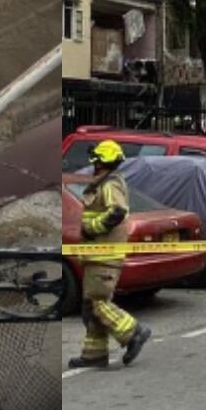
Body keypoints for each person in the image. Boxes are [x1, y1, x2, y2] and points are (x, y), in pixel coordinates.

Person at [70, 140, 151, 370]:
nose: (93, 163)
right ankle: (94, 354)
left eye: (96, 159)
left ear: (102, 161)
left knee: (97, 303)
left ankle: (134, 331)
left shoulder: (110, 185)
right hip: (97, 255)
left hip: (105, 255)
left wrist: (91, 228)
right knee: (91, 306)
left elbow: (117, 212)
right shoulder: (103, 183)